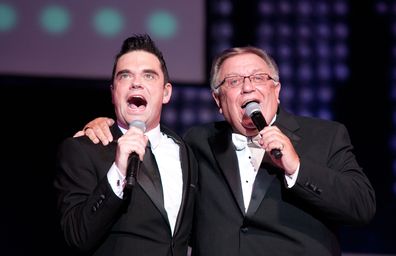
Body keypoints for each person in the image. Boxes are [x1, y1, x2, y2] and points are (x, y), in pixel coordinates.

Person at [78, 46, 376, 255]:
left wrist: (296, 167)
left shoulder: (325, 136)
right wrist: (108, 123)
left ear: (277, 89)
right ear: (218, 101)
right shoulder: (198, 142)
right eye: (233, 82)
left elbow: (362, 206)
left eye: (258, 78)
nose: (247, 88)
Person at [54, 34, 197, 256]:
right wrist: (118, 171)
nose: (136, 83)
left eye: (148, 75)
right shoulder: (83, 149)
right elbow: (77, 236)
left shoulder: (185, 152)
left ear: (166, 92)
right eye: (125, 76)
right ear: (113, 92)